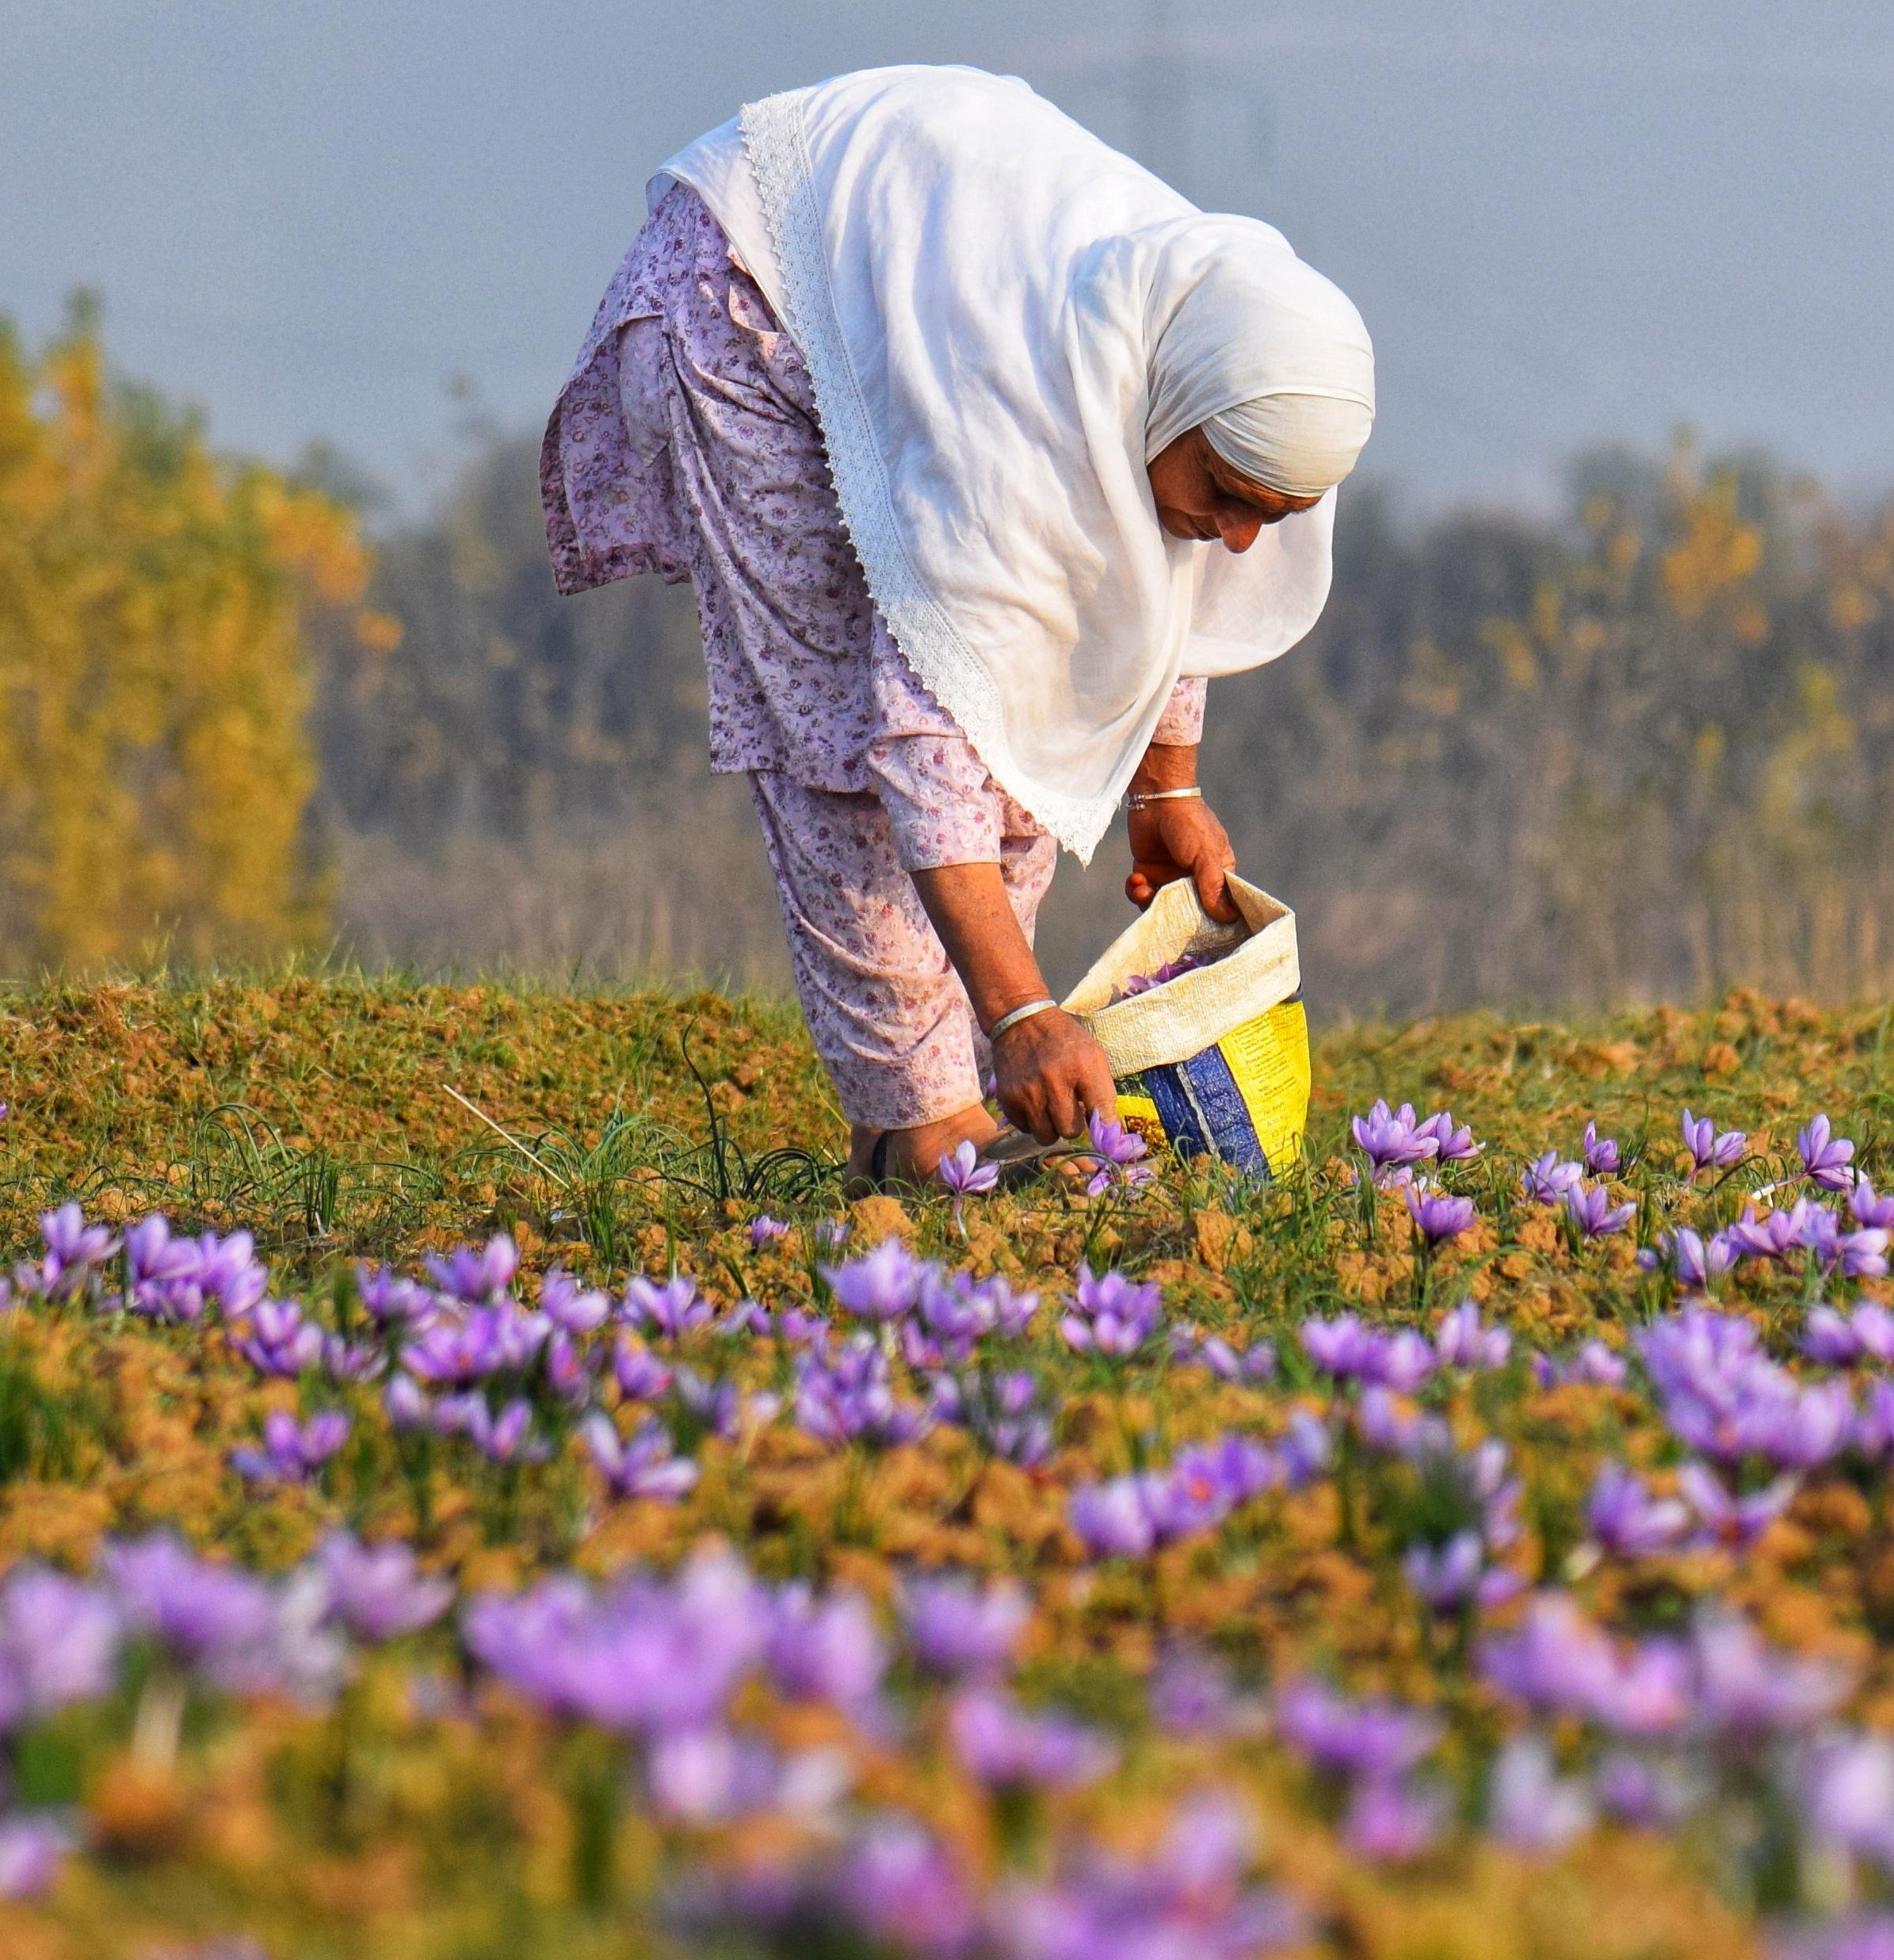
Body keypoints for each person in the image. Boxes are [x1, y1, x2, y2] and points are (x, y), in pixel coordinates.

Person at [542, 63, 1374, 1186]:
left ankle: (920, 1136)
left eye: (1270, 521)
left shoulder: (1206, 350)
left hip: (925, 261)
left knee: (1004, 745)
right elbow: (919, 742)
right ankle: (926, 1135)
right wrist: (1019, 1008)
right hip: (752, 293)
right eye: (1227, 495)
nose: (1233, 538)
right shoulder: (1020, 433)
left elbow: (1157, 581)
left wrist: (1167, 784)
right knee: (843, 727)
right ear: (1174, 410)